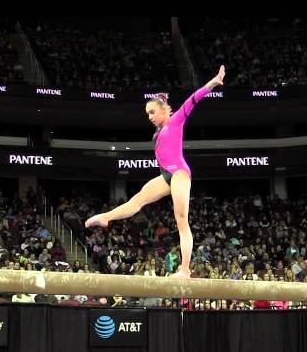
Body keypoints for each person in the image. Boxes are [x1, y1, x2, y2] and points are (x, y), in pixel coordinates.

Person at [85, 65, 226, 278]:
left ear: (164, 108)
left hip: (179, 173)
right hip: (165, 175)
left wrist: (213, 83)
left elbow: (194, 99)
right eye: (147, 113)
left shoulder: (176, 120)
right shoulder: (159, 131)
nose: (149, 116)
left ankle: (185, 269)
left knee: (181, 219)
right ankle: (106, 217)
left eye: (152, 112)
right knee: (137, 200)